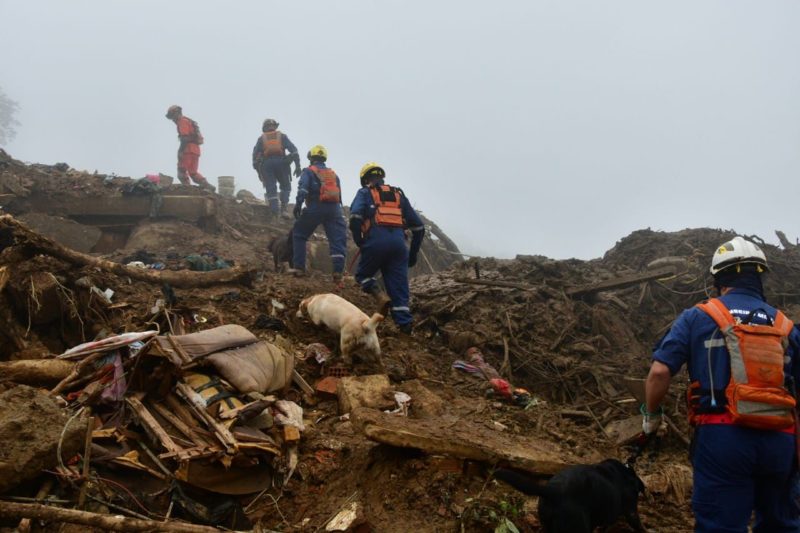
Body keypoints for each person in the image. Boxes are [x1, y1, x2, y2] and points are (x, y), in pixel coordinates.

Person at [643, 236, 800, 532]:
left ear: (718, 279)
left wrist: (651, 416)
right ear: (760, 276)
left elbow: (660, 372)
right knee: (782, 525)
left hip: (723, 436)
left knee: (720, 526)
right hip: (780, 439)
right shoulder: (786, 326)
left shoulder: (697, 317)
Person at [348, 162, 425, 333]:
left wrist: (359, 240)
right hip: (399, 246)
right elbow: (419, 228)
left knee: (363, 275)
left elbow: (354, 217)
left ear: (365, 179)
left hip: (375, 242)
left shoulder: (365, 192)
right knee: (398, 287)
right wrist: (412, 255)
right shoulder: (398, 195)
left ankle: (380, 295)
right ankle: (405, 326)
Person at [290, 145, 347, 282]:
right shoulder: (333, 174)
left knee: (299, 234)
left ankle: (299, 268)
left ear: (311, 158)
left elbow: (303, 189)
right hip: (334, 209)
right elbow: (339, 195)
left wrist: (298, 205)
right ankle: (338, 273)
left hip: (316, 206)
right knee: (337, 240)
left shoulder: (309, 171)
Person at [252, 118, 301, 218]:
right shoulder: (282, 136)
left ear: (264, 128)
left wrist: (259, 171)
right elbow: (294, 151)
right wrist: (297, 166)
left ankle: (274, 212)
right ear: (275, 126)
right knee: (285, 186)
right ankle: (284, 209)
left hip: (267, 164)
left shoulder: (261, 139)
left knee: (271, 187)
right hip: (282, 163)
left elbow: (254, 158)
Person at [165, 105, 214, 191]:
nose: (172, 120)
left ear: (176, 114)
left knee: (181, 171)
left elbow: (184, 138)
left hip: (188, 150)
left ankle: (187, 189)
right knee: (193, 173)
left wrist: (180, 151)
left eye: (172, 117)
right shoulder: (189, 121)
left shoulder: (182, 121)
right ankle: (207, 185)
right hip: (196, 150)